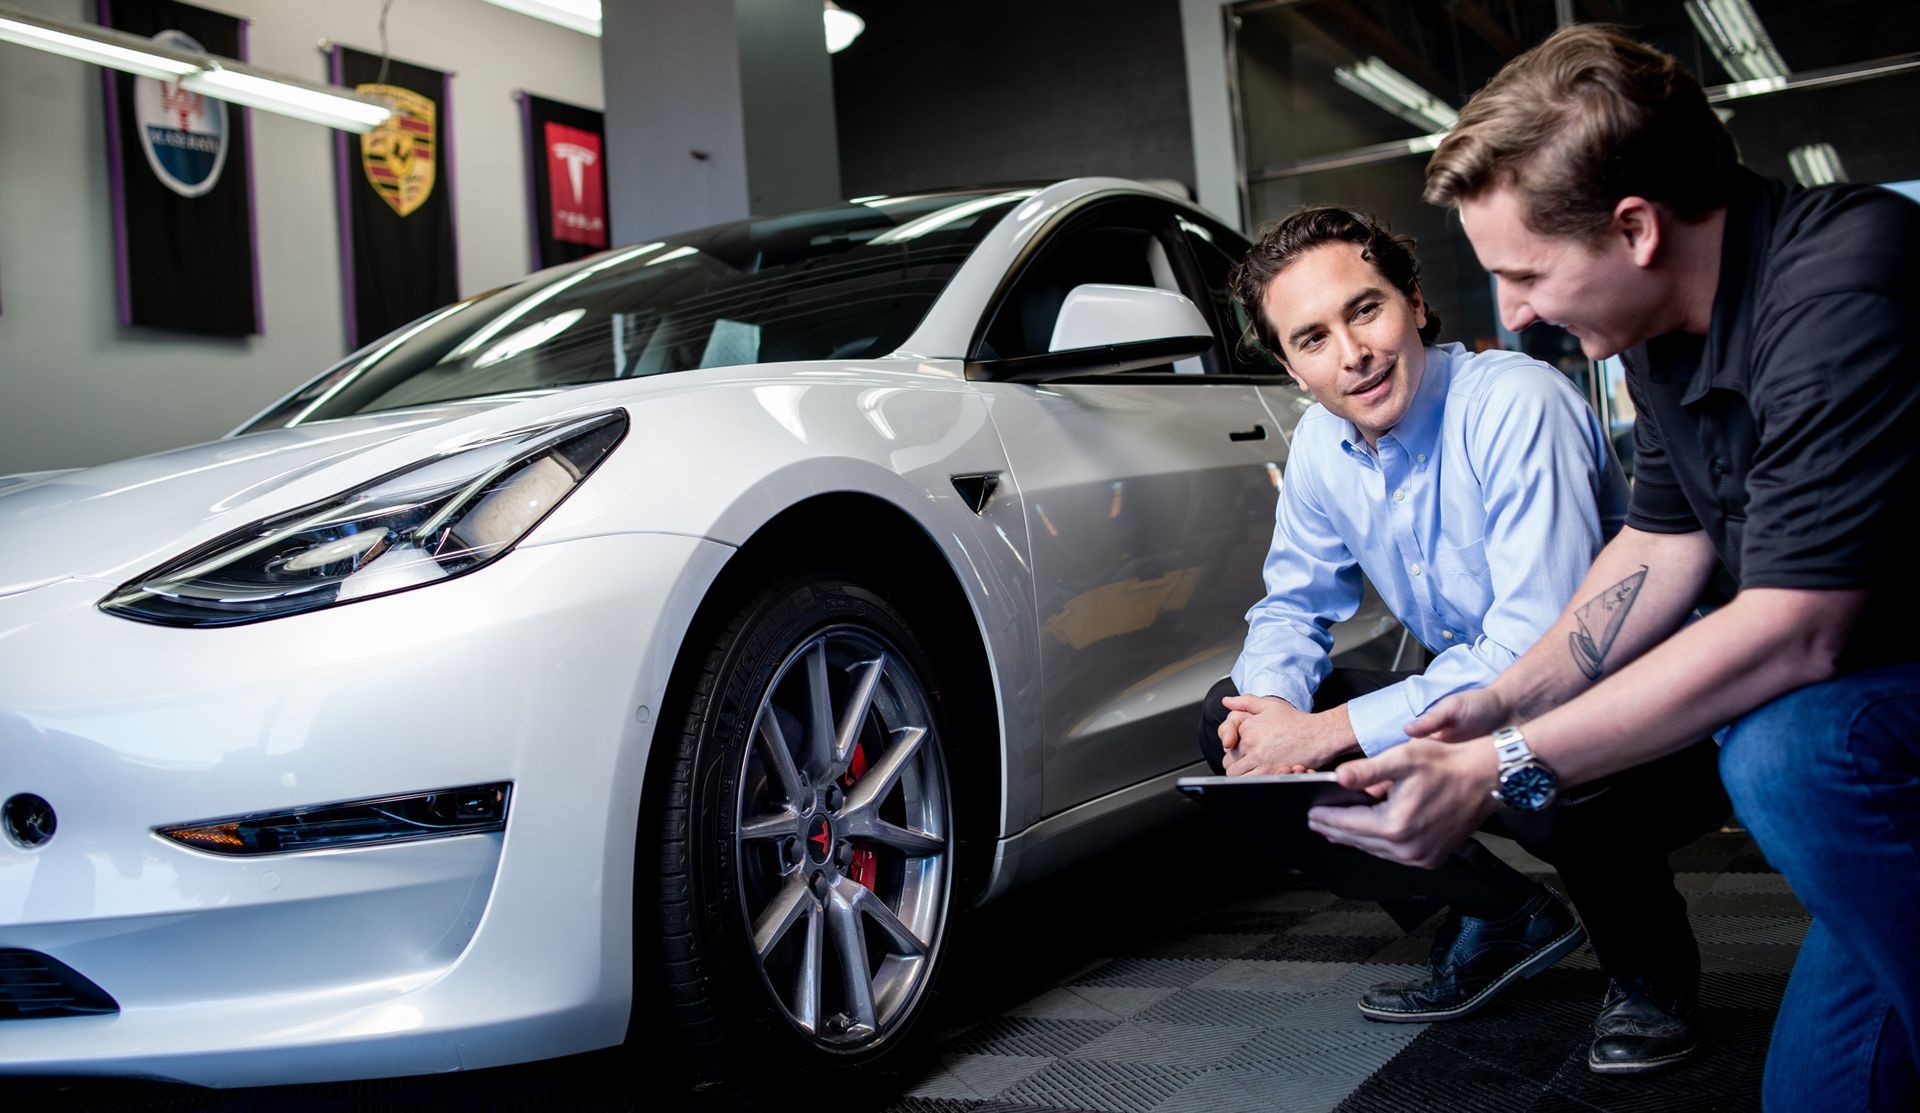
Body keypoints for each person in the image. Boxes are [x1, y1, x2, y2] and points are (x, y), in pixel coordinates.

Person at [1308, 25, 1920, 1110]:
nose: (1513, 313)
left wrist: (1499, 762)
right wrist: (1501, 697)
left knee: (1786, 751)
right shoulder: (1658, 332)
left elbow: (1795, 628)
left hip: (1864, 714)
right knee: (1814, 1096)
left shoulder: (1844, 287)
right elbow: (1660, 544)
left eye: (1526, 274)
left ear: (1635, 228)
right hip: (1878, 714)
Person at [1201, 205, 1727, 1072]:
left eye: (1365, 310)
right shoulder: (1322, 447)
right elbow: (1292, 607)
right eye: (1313, 338)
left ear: (1412, 301)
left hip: (1645, 717)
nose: (1352, 353)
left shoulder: (1518, 402)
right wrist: (1271, 714)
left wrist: (1326, 732)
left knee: (1537, 744)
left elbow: (1539, 650)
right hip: (1480, 693)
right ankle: (1500, 909)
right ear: (1291, 366)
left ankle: (1649, 971)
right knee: (1230, 723)